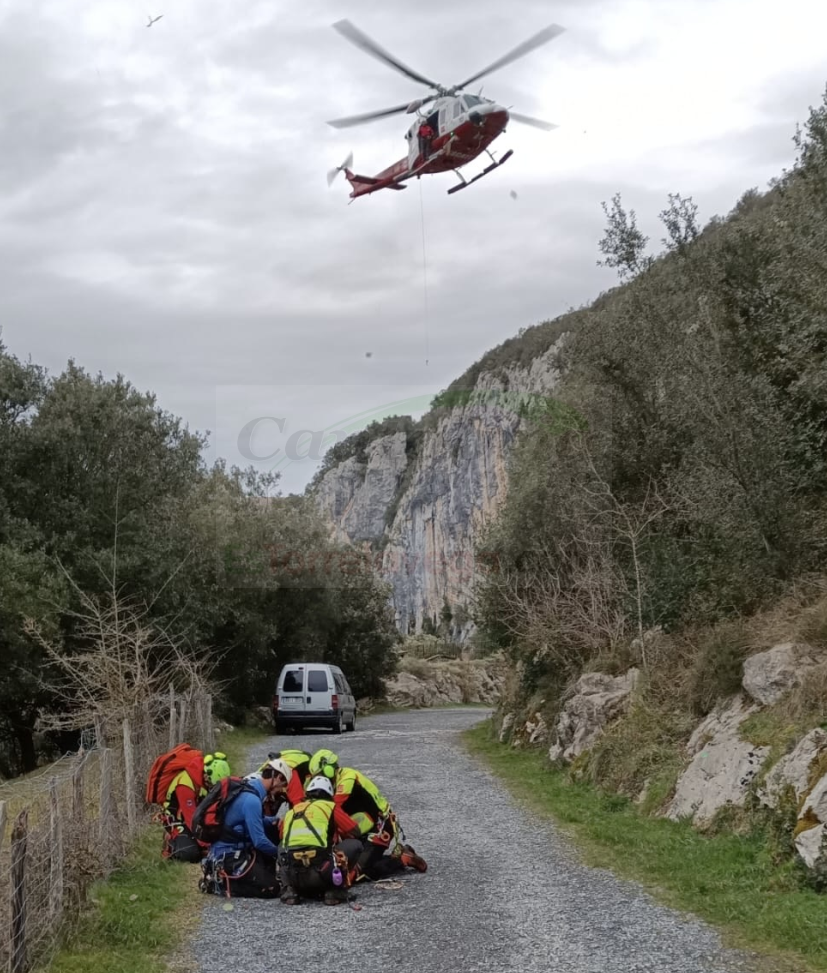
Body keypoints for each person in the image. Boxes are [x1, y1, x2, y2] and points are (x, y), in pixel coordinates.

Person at [307, 749, 427, 880]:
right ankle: (385, 857)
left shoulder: (347, 779)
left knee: (357, 874)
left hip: (380, 828)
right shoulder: (334, 782)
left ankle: (402, 859)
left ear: (328, 770)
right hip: (361, 829)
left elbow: (329, 809)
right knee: (346, 864)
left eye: (319, 776)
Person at [201, 758, 292, 898]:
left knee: (272, 826)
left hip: (225, 850)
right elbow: (259, 841)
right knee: (271, 888)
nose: (282, 790)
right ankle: (218, 884)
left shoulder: (249, 787)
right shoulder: (252, 801)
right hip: (228, 855)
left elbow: (252, 819)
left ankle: (261, 871)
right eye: (283, 784)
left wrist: (274, 821)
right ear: (277, 777)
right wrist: (281, 854)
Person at [278, 775, 364, 905]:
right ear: (329, 795)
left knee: (282, 846)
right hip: (323, 873)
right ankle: (334, 890)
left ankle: (289, 890)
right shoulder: (329, 806)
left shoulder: (293, 811)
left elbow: (282, 836)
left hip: (294, 876)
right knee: (355, 845)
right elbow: (355, 830)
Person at [162, 751, 231, 862]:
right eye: (212, 784)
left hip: (197, 816)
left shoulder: (203, 779)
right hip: (179, 820)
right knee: (190, 854)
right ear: (206, 775)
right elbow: (191, 819)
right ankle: (170, 843)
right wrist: (207, 845)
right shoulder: (184, 784)